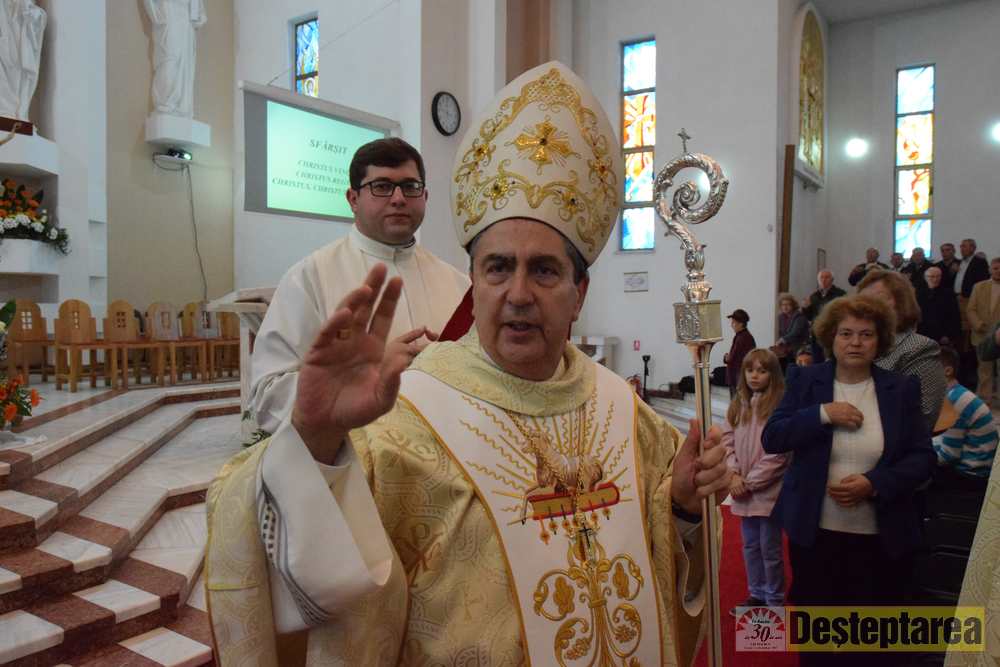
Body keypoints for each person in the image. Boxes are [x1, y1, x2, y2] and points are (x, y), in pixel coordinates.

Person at [205, 61, 731, 666]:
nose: (518, 294)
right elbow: (305, 580)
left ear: (579, 293)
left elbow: (668, 569)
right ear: (474, 286)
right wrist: (316, 438)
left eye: (545, 270)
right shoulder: (402, 426)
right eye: (498, 268)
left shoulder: (631, 418)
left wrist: (684, 507)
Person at [249, 138, 471, 434]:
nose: (398, 198)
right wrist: (350, 381)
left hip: (448, 444)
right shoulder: (309, 278)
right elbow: (267, 393)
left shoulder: (458, 283)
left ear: (425, 196)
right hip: (352, 454)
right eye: (381, 186)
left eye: (410, 186)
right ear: (353, 199)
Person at [763, 295, 935, 666]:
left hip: (879, 538)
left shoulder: (902, 388)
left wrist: (875, 483)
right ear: (831, 337)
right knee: (818, 640)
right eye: (846, 333)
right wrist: (823, 413)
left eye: (866, 334)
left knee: (870, 644)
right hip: (816, 535)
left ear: (880, 340)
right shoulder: (805, 380)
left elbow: (923, 458)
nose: (855, 342)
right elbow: (773, 437)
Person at [724, 349, 789, 614]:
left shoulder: (779, 406)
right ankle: (757, 593)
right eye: (750, 370)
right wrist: (733, 474)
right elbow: (727, 441)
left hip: (767, 492)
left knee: (770, 549)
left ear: (772, 375)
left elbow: (779, 454)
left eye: (762, 371)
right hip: (741, 488)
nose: (754, 376)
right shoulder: (738, 404)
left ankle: (774, 599)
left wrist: (749, 482)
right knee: (750, 546)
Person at [857, 270, 946, 432]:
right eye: (862, 301)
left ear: (901, 303)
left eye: (878, 299)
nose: (867, 307)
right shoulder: (850, 344)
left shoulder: (918, 348)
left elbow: (923, 419)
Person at [930, 346, 998, 490]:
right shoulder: (956, 393)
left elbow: (948, 456)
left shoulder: (954, 401)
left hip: (971, 474)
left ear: (947, 371)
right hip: (975, 466)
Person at [967, 257, 1000, 407]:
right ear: (989, 269)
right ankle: (984, 399)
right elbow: (971, 309)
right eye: (995, 268)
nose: (998, 271)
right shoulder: (978, 287)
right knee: (984, 369)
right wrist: (979, 325)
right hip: (982, 334)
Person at [803, 269, 846, 362]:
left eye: (827, 277)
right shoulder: (814, 296)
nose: (824, 280)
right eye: (821, 277)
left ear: (832, 280)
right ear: (818, 280)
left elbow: (844, 314)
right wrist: (806, 308)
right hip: (817, 332)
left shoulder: (840, 294)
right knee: (817, 360)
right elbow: (809, 317)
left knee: (833, 359)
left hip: (832, 331)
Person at [916, 265, 960, 346]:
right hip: (922, 334)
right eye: (932, 277)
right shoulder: (919, 294)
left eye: (938, 276)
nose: (935, 279)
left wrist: (948, 335)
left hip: (942, 335)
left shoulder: (948, 294)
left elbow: (954, 316)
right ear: (925, 278)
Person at [724, 308, 756, 398]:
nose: (731, 325)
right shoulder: (745, 336)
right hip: (740, 375)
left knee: (737, 402)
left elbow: (731, 358)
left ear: (741, 324)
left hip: (738, 376)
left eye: (733, 322)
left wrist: (726, 357)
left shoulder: (742, 338)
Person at [773, 293, 808, 373]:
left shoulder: (799, 317)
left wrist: (782, 339)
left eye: (788, 304)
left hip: (798, 349)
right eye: (783, 305)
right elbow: (780, 332)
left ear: (793, 305)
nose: (785, 307)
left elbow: (795, 332)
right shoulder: (781, 317)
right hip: (786, 350)